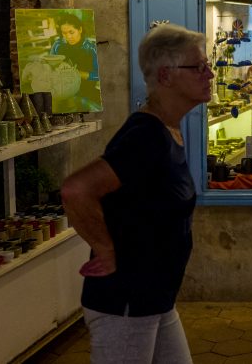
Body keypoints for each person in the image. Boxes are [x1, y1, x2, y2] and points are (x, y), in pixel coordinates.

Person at [61, 23, 213, 364]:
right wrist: (105, 249)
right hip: (126, 302)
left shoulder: (167, 130)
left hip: (156, 298)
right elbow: (76, 189)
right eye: (199, 67)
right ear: (166, 75)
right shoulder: (146, 136)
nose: (210, 74)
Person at [50, 12, 101, 111]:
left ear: (80, 29)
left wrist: (77, 73)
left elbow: (98, 75)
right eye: (64, 33)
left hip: (85, 91)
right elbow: (50, 64)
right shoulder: (58, 45)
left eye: (71, 32)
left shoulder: (91, 48)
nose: (68, 37)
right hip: (62, 90)